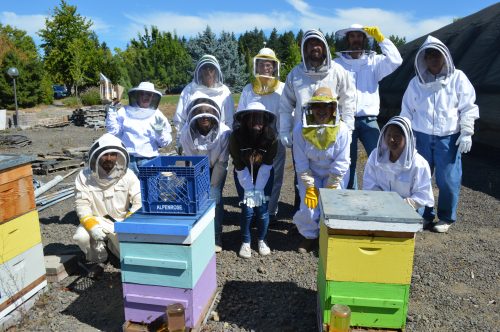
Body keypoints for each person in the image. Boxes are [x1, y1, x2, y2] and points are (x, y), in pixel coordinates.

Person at [400, 35, 479, 233]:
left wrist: (467, 131)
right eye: (430, 55)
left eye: (438, 55)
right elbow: (407, 111)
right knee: (420, 177)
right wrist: (406, 136)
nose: (434, 59)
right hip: (421, 137)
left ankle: (445, 217)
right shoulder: (415, 83)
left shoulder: (458, 78)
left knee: (449, 179)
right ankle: (424, 215)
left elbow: (468, 106)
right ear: (424, 59)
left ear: (445, 57)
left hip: (448, 137)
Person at [279, 29, 355, 209]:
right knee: (303, 179)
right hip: (304, 137)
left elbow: (348, 101)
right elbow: (285, 105)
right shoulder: (295, 74)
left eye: (318, 43)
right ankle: (305, 220)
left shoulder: (338, 71)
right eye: (310, 44)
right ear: (304, 49)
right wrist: (284, 130)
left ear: (325, 47)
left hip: (333, 135)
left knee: (338, 177)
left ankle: (338, 221)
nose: (315, 47)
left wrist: (349, 128)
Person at [334, 24, 403, 189]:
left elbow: (396, 60)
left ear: (365, 39)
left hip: (369, 119)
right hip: (345, 120)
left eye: (360, 36)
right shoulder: (337, 63)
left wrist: (382, 39)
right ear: (347, 39)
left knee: (381, 157)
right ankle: (349, 199)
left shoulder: (375, 61)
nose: (356, 39)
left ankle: (380, 194)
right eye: (352, 36)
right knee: (346, 161)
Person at [292, 87, 351, 253]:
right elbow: (301, 161)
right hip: (311, 173)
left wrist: (332, 185)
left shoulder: (342, 130)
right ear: (311, 108)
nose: (322, 111)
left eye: (326, 106)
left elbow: (342, 161)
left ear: (333, 109)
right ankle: (310, 237)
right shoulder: (300, 130)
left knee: (334, 205)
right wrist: (310, 186)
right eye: (318, 107)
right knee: (308, 205)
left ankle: (329, 238)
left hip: (335, 175)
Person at [73, 133, 142, 264]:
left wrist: (127, 223)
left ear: (119, 156)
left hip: (121, 221)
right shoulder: (83, 176)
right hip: (96, 220)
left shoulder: (128, 175)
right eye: (105, 154)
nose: (109, 158)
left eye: (113, 154)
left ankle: (113, 251)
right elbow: (82, 205)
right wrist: (91, 226)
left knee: (128, 259)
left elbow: (139, 201)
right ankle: (99, 259)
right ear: (96, 156)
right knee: (81, 237)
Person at [237, 47, 285, 221]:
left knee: (275, 176)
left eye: (269, 64)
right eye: (263, 63)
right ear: (256, 66)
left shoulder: (282, 88)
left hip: (275, 140)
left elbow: (287, 114)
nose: (266, 67)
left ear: (274, 67)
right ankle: (252, 212)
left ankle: (269, 212)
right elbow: (241, 115)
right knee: (251, 176)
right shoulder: (248, 89)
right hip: (252, 141)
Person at [179, 97, 231, 253]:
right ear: (193, 114)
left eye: (208, 112)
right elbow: (190, 158)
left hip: (217, 166)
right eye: (200, 112)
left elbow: (222, 161)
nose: (204, 116)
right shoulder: (186, 133)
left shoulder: (224, 132)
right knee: (195, 198)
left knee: (215, 199)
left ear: (215, 113)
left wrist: (213, 185)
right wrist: (198, 182)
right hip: (197, 166)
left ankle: (216, 237)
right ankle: (197, 235)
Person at [229, 101, 278, 259]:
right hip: (242, 173)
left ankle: (262, 239)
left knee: (262, 210)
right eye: (253, 117)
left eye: (261, 117)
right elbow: (238, 164)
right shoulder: (235, 137)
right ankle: (246, 241)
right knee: (247, 209)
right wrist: (249, 189)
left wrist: (258, 189)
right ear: (245, 120)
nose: (257, 121)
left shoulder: (272, 138)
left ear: (266, 120)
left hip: (264, 174)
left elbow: (267, 165)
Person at [363, 116, 434, 214]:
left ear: (407, 138)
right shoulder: (376, 156)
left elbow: (423, 195)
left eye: (396, 136)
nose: (391, 139)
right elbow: (369, 184)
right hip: (379, 205)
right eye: (388, 135)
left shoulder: (419, 164)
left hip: (409, 209)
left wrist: (402, 205)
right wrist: (384, 203)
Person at [106, 81, 172, 175]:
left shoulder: (158, 116)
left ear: (153, 96)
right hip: (127, 160)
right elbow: (113, 132)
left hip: (150, 161)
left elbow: (165, 142)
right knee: (128, 189)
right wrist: (111, 110)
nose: (145, 97)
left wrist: (159, 133)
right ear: (137, 95)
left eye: (149, 94)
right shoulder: (124, 111)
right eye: (142, 93)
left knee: (149, 189)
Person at [174, 55, 235, 154]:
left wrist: (228, 140)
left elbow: (229, 119)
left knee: (218, 168)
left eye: (211, 68)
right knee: (195, 168)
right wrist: (179, 140)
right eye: (205, 68)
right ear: (200, 71)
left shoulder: (224, 91)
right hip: (193, 142)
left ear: (216, 71)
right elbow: (180, 117)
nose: (208, 72)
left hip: (218, 141)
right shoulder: (189, 90)